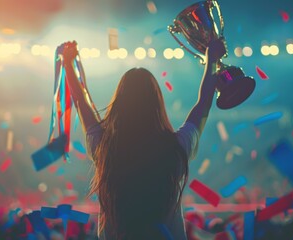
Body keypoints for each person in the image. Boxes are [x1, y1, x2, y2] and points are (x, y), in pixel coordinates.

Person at [59, 39, 226, 240]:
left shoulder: (105, 149)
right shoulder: (176, 149)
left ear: (120, 104)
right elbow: (204, 104)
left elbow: (81, 103)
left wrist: (68, 64)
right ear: (157, 103)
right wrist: (212, 61)